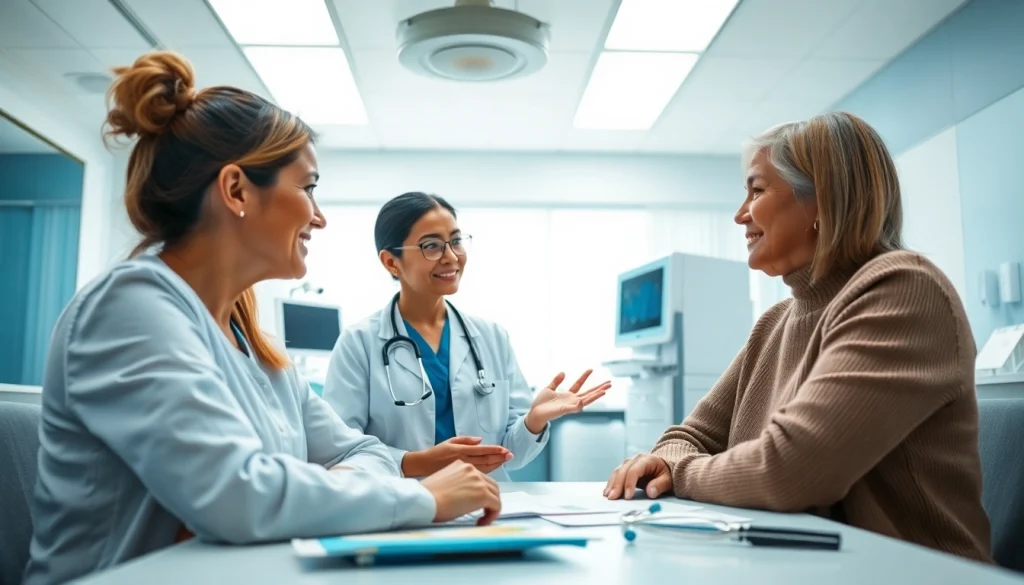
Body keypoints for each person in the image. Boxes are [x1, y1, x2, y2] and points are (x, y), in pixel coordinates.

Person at [23, 52, 499, 585]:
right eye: (308, 187)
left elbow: (359, 450)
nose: (319, 216)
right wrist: (416, 498)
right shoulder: (131, 308)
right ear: (236, 190)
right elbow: (238, 496)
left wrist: (314, 488)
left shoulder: (254, 344)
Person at [603, 112, 993, 563]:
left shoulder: (902, 291)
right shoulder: (776, 322)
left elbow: (789, 471)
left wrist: (680, 470)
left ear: (823, 200)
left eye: (757, 190)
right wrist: (672, 461)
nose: (739, 214)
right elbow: (687, 436)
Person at [322, 192, 610, 480]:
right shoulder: (358, 343)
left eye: (456, 241)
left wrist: (534, 421)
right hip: (401, 503)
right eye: (431, 246)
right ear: (391, 261)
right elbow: (342, 451)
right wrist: (418, 462)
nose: (451, 257)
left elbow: (511, 455)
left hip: (485, 504)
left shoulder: (491, 336)